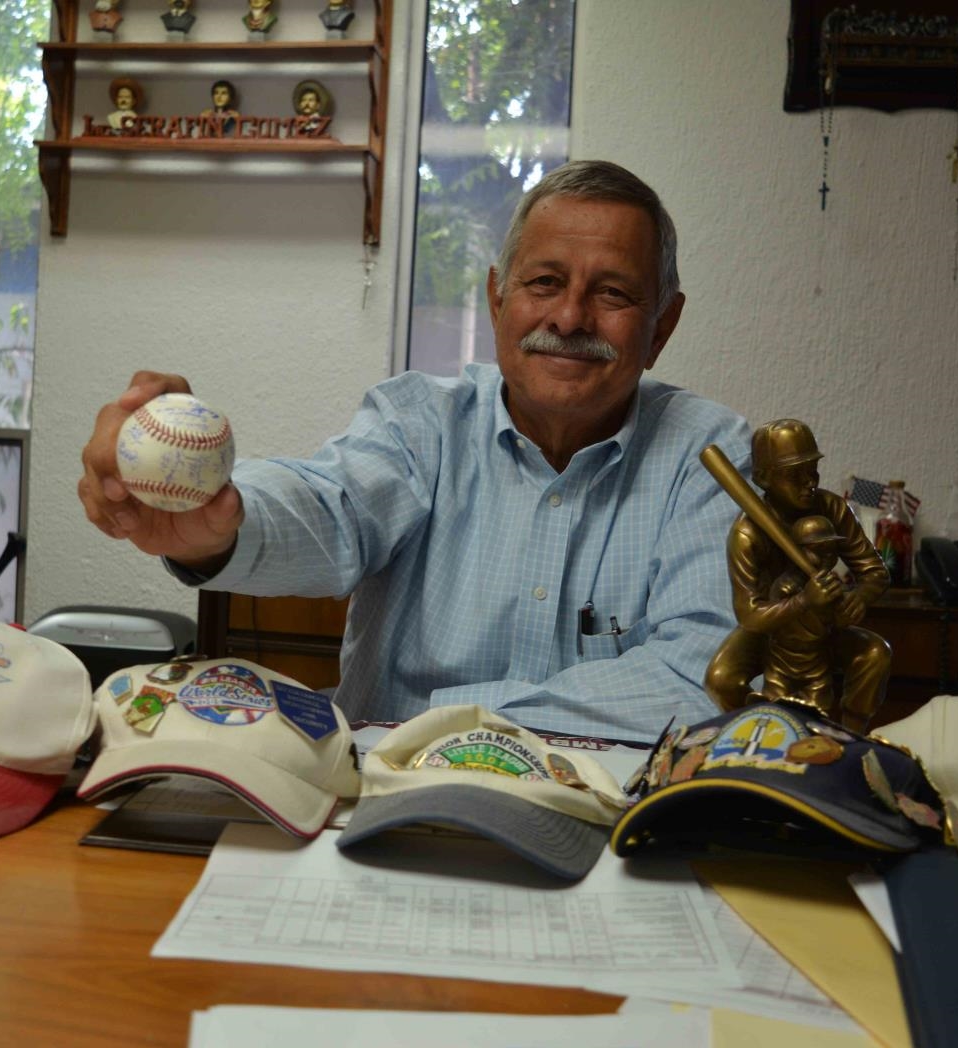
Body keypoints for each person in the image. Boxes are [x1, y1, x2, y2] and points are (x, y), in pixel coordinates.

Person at [78, 160, 752, 742]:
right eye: (544, 282)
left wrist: (450, 719)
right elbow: (328, 505)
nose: (570, 317)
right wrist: (217, 523)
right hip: (391, 796)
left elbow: (695, 680)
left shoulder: (710, 457)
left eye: (612, 293)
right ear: (497, 300)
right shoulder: (418, 422)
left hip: (605, 816)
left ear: (661, 327)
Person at [704, 419, 890, 733]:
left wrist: (859, 598)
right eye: (794, 475)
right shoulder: (748, 532)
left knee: (875, 653)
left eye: (812, 470)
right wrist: (803, 601)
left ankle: (850, 737)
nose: (809, 483)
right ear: (763, 478)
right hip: (770, 629)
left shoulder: (832, 508)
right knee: (720, 679)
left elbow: (874, 571)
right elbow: (750, 615)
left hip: (824, 622)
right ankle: (759, 735)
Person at [759, 516, 846, 711]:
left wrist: (845, 608)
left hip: (817, 667)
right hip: (782, 667)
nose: (827, 558)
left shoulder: (831, 584)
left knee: (818, 719)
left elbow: (836, 623)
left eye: (831, 551)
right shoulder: (784, 586)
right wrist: (806, 599)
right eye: (819, 551)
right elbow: (772, 622)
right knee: (775, 717)